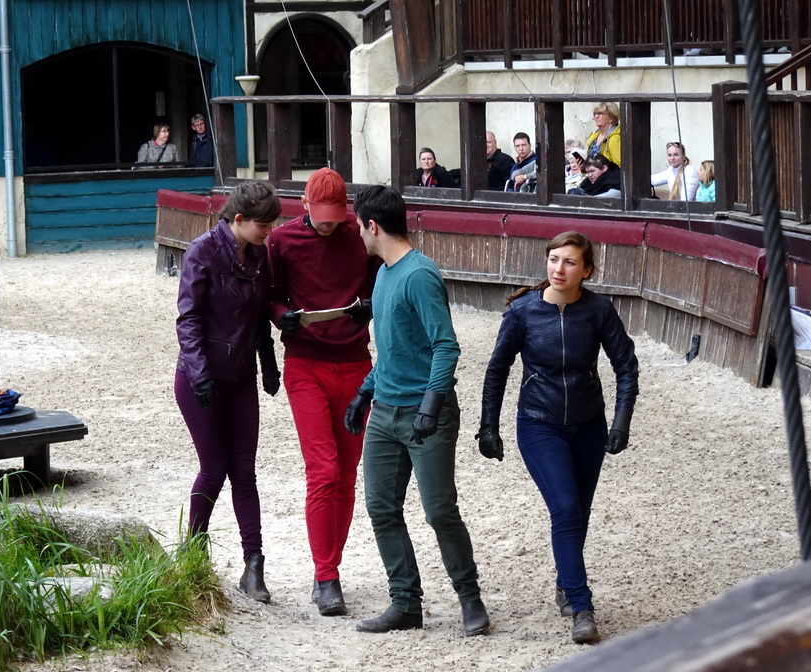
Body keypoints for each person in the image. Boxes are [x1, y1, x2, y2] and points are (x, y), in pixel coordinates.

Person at [476, 231, 638, 645]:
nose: (558, 268)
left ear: (586, 270)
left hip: (589, 424)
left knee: (578, 512)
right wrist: (488, 426)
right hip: (538, 422)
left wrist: (621, 422)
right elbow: (497, 370)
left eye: (569, 262)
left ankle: (566, 581)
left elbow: (626, 367)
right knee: (565, 507)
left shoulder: (599, 310)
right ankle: (581, 606)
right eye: (553, 259)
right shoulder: (523, 313)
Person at [345, 184, 490, 637]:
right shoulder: (384, 273)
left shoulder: (418, 274)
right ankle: (405, 601)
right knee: (381, 507)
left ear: (372, 226)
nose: (357, 234)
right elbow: (392, 350)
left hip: (426, 415)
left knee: (439, 510)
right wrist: (364, 393)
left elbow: (445, 345)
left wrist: (430, 406)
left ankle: (470, 598)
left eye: (358, 226)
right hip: (385, 411)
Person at [267, 168, 381, 617]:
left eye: (338, 215)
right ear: (306, 206)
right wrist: (283, 317)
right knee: (324, 469)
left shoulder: (361, 235)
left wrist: (369, 308)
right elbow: (271, 295)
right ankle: (326, 574)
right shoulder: (283, 241)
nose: (330, 223)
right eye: (322, 215)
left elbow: (381, 281)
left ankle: (331, 566)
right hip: (305, 363)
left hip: (355, 361)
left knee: (349, 471)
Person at [174, 180, 282, 603]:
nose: (268, 233)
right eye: (262, 226)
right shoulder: (202, 251)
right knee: (214, 465)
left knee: (244, 471)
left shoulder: (258, 255)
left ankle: (253, 565)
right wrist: (200, 375)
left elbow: (257, 315)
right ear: (238, 220)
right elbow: (188, 320)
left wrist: (269, 364)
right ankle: (193, 551)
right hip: (201, 377)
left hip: (241, 378)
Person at [584, 102, 622, 168]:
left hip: (609, 177)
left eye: (600, 114)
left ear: (611, 118)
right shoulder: (594, 136)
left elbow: (620, 166)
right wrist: (584, 167)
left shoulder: (615, 138)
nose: (596, 116)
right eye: (595, 114)